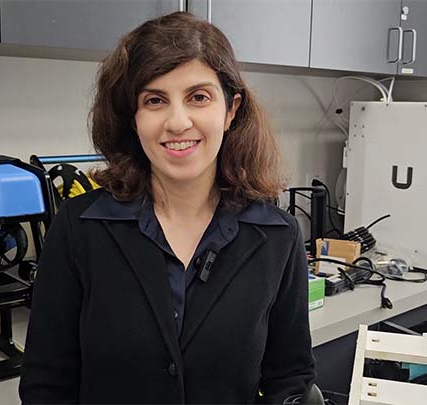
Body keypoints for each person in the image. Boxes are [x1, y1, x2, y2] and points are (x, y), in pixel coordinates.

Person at [19, 12, 315, 404]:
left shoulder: (277, 235)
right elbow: (46, 385)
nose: (177, 122)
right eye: (155, 100)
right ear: (133, 119)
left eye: (198, 97)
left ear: (230, 110)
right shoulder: (79, 227)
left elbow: (290, 377)